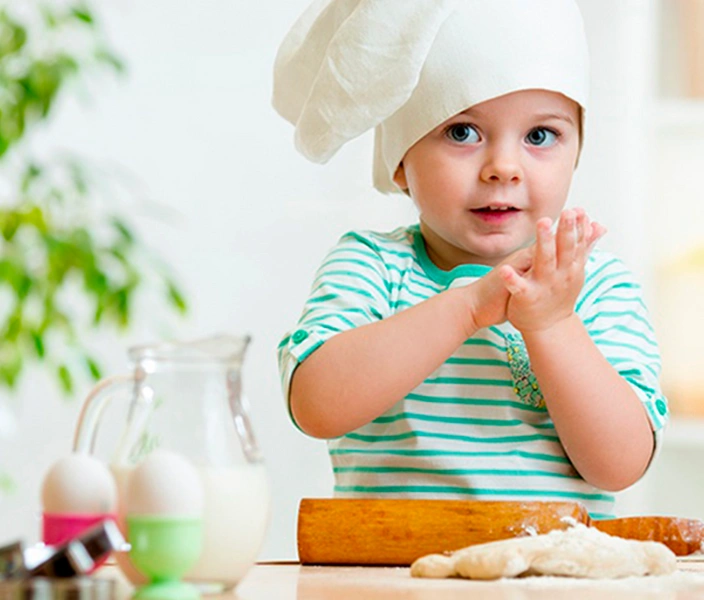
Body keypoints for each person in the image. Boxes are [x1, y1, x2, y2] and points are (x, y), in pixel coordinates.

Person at [274, 0, 668, 519]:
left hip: (553, 578)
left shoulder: (595, 285)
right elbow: (315, 405)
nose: (503, 167)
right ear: (400, 163)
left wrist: (553, 323)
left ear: (576, 153)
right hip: (391, 578)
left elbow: (621, 464)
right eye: (461, 132)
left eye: (539, 136)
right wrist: (468, 308)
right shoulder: (373, 266)